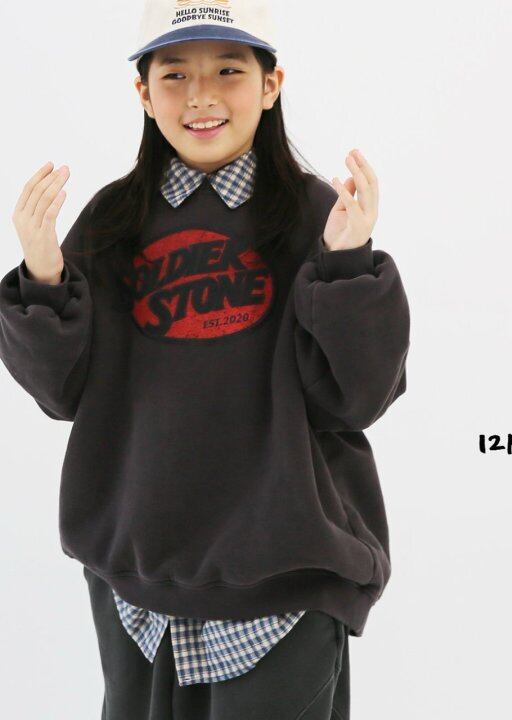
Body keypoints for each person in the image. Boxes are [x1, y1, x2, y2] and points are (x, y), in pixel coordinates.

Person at [0, 0, 410, 718]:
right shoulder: (112, 221)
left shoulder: (319, 217)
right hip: (137, 583)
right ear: (143, 93)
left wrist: (348, 265)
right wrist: (43, 275)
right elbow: (61, 393)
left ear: (271, 85)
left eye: (228, 71)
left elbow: (357, 399)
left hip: (285, 579)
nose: (201, 96)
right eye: (174, 75)